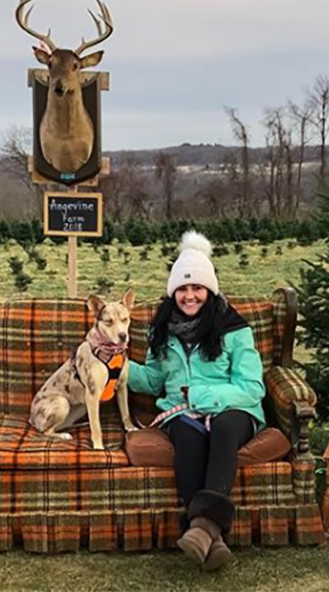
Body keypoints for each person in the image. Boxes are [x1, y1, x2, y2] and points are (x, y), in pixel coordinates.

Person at [128, 231, 265, 571]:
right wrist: (115, 365)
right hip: (182, 411)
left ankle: (199, 527)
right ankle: (211, 537)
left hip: (235, 408)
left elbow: (252, 386)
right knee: (188, 438)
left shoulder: (234, 329)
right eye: (183, 289)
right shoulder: (162, 330)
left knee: (222, 430)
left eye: (197, 288)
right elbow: (154, 380)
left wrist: (205, 397)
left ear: (209, 290)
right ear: (174, 291)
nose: (190, 296)